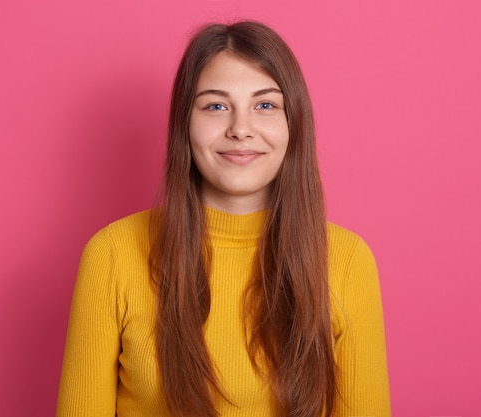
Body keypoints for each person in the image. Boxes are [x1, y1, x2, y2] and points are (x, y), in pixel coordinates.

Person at [56, 21, 391, 417]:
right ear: (185, 123)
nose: (241, 129)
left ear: (293, 124)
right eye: (216, 106)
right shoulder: (111, 254)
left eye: (265, 105)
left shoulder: (348, 260)